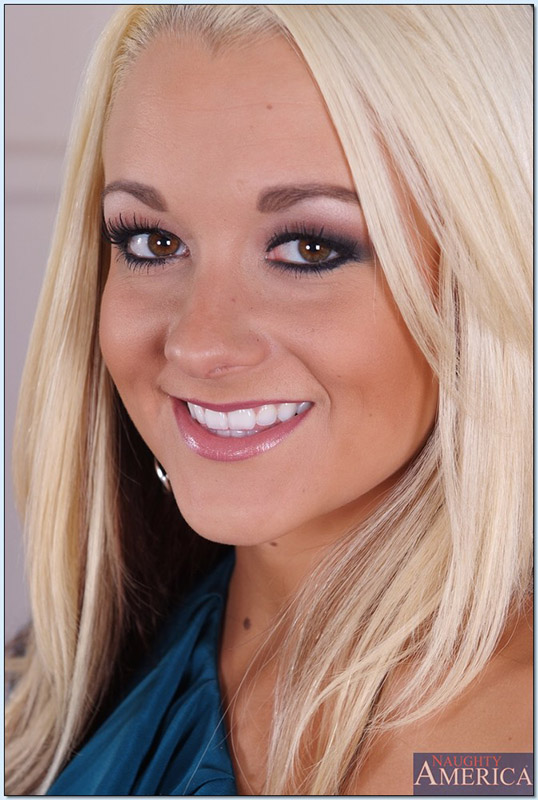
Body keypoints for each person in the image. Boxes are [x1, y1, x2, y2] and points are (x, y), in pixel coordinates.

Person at [5, 4, 532, 796]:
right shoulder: (50, 691)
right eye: (153, 242)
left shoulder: (500, 758)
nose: (198, 344)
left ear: (480, 274)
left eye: (310, 249)